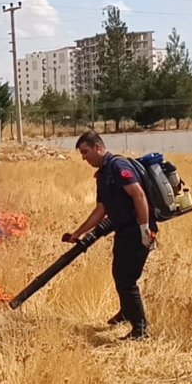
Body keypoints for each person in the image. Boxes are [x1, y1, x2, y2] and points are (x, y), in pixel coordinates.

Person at [65, 130, 156, 341]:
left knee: (126, 279)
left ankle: (140, 330)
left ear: (98, 147)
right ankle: (126, 313)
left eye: (86, 152)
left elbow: (139, 195)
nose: (84, 158)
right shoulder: (103, 174)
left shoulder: (117, 166)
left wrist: (144, 230)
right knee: (119, 273)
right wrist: (77, 233)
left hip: (137, 231)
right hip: (124, 231)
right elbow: (101, 210)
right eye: (81, 154)